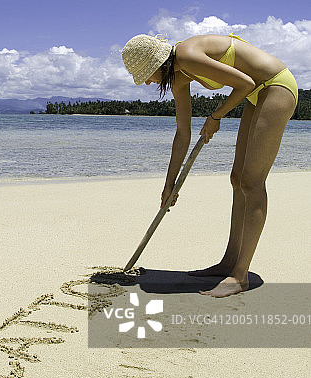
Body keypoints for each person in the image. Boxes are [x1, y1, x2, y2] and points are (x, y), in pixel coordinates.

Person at [121, 32, 298, 297]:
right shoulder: (179, 77)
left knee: (252, 181)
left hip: (275, 86)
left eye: (146, 74)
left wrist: (216, 116)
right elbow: (183, 133)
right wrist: (169, 186)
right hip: (257, 93)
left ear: (158, 64)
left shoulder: (187, 55)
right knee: (237, 178)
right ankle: (229, 262)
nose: (147, 81)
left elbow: (245, 83)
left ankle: (240, 276)